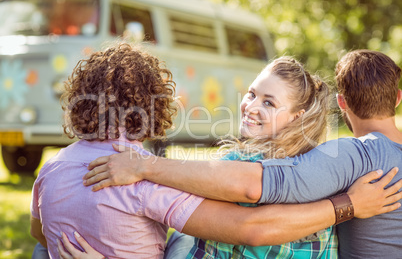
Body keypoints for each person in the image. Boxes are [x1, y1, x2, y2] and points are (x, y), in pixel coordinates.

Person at [59, 55, 402, 258]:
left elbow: (250, 208)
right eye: (252, 94)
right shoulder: (328, 168)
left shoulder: (238, 171)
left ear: (297, 116)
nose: (251, 107)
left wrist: (142, 166)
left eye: (269, 102)